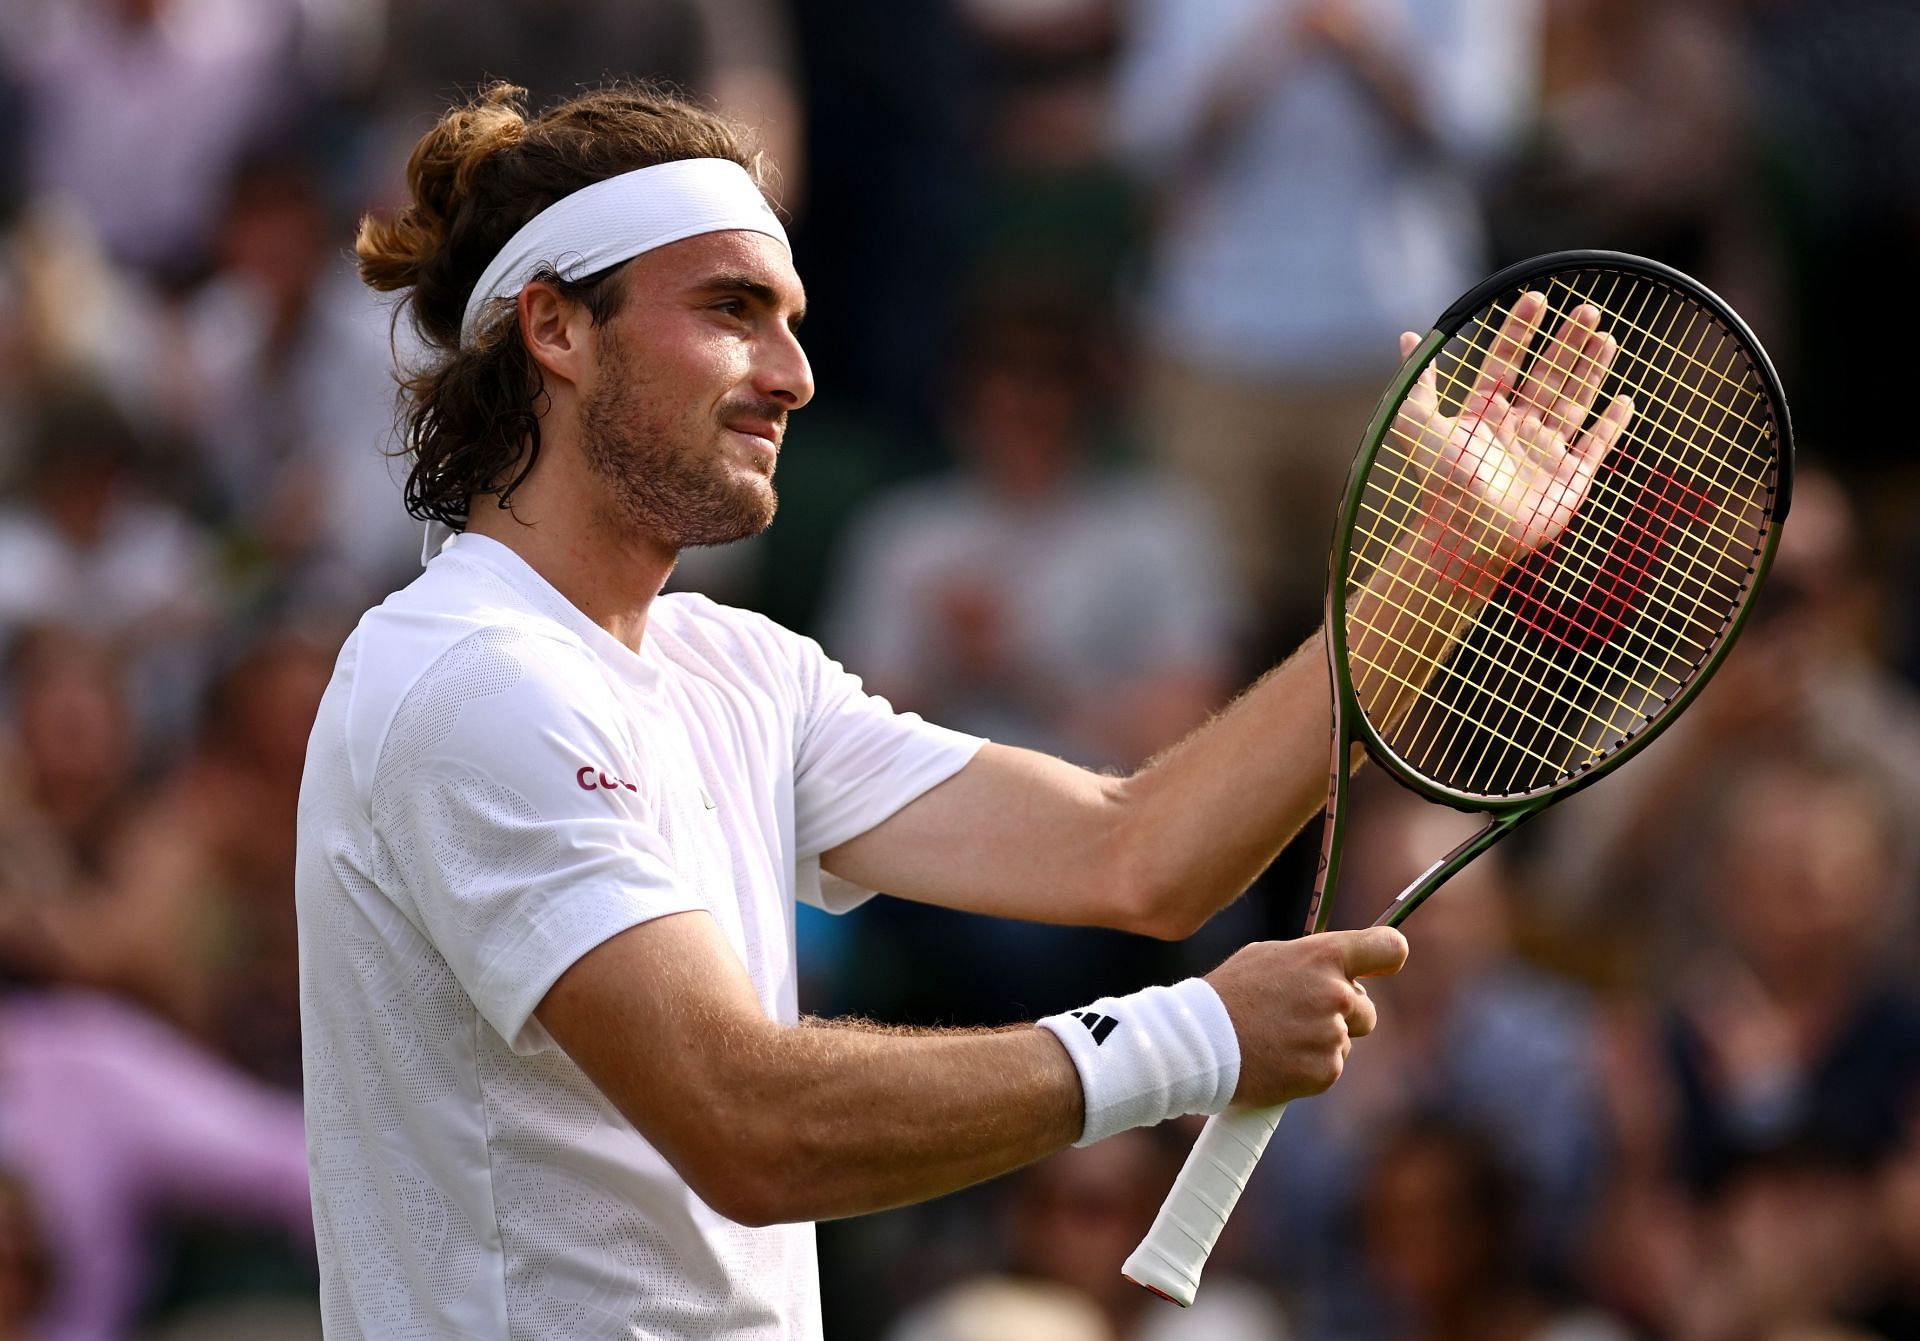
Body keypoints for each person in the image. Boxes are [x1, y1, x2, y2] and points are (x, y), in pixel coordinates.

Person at [296, 81, 1628, 1338]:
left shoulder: (738, 669)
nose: (793, 373)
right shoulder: (472, 676)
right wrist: (1190, 1036)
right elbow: (745, 1120)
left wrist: (1442, 570)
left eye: (794, 317)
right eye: (732, 309)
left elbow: (1137, 849)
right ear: (556, 327)